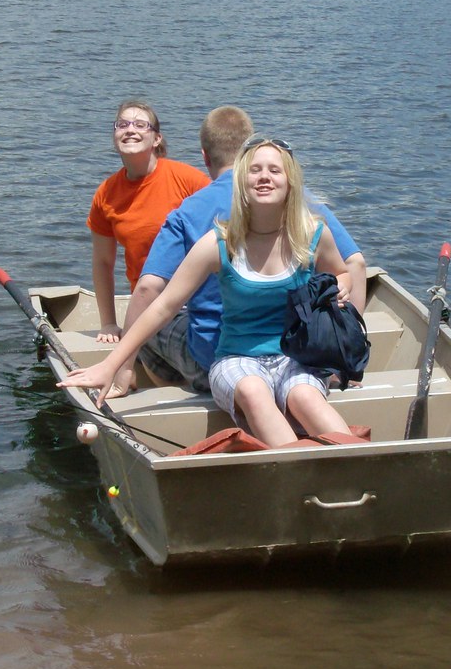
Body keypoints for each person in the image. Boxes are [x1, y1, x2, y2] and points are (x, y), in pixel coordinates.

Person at [59, 136, 355, 447]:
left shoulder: (312, 235)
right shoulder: (219, 243)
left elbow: (344, 272)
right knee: (254, 391)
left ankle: (357, 461)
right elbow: (163, 306)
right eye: (254, 170)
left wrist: (341, 288)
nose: (264, 177)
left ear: (290, 182)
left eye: (274, 170)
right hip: (236, 359)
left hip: (293, 356)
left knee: (306, 396)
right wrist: (112, 365)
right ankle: (297, 465)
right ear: (241, 183)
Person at [106, 105, 367, 397]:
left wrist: (122, 368)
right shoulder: (296, 201)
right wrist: (341, 354)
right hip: (291, 353)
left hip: (213, 361)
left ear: (205, 156)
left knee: (149, 325)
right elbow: (355, 264)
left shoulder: (189, 210)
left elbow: (147, 289)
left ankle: (159, 382)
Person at [87, 99, 209, 342]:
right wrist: (108, 323)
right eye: (122, 124)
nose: (130, 130)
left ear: (156, 139)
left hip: (195, 300)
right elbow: (103, 262)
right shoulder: (106, 193)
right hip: (147, 303)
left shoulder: (189, 181)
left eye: (140, 125)